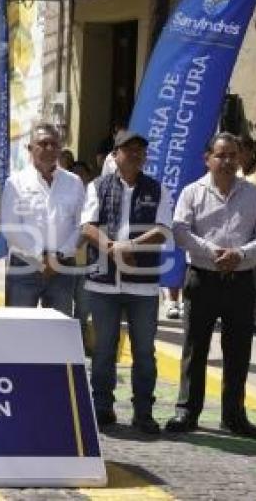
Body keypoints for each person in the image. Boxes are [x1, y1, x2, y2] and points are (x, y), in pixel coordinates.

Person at [166, 132, 256, 437]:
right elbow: (179, 230)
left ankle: (234, 415)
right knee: (195, 347)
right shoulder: (192, 192)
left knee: (238, 350)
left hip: (241, 280)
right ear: (208, 158)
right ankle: (186, 411)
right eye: (221, 155)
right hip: (202, 278)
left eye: (233, 155)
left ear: (240, 158)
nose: (227, 161)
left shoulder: (254, 195)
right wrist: (212, 251)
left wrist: (240, 253)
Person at [81, 131, 173, 433]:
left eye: (140, 150)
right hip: (103, 284)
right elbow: (87, 227)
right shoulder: (98, 186)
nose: (135, 154)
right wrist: (113, 248)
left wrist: (130, 247)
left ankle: (143, 411)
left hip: (143, 286)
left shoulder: (158, 189)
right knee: (104, 349)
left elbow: (162, 230)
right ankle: (102, 407)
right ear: (115, 155)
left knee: (144, 351)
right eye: (128, 149)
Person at [1, 123, 84, 315]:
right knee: (20, 328)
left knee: (58, 331)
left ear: (60, 148)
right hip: (24, 266)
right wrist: (41, 256)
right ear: (30, 148)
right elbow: (10, 227)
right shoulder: (15, 182)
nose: (49, 148)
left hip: (62, 268)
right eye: (43, 143)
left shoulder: (74, 182)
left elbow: (81, 226)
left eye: (54, 144)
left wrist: (59, 256)